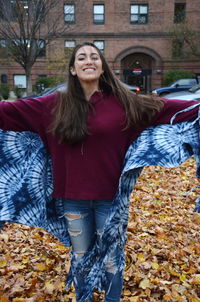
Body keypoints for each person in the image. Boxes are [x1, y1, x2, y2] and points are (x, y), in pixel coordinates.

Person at [0, 42, 199, 301]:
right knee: (81, 258)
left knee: (111, 260)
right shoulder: (52, 105)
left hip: (111, 200)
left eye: (95, 57)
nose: (89, 60)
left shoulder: (124, 103)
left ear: (103, 67)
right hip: (72, 199)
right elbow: (6, 112)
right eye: (81, 57)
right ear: (73, 68)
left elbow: (172, 110)